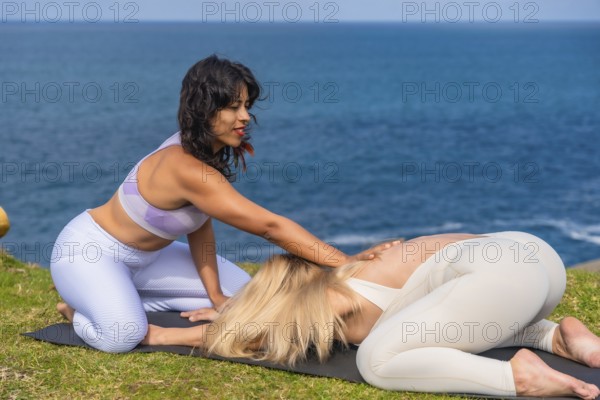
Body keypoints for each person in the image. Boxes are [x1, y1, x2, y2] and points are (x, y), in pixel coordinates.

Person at [50, 55, 387, 353]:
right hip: (88, 252)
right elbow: (270, 227)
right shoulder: (185, 167)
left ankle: (122, 297)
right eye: (232, 106)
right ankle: (79, 312)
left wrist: (215, 297)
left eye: (246, 106)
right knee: (124, 335)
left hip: (148, 260)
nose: (245, 117)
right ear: (204, 109)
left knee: (244, 297)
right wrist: (345, 263)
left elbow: (199, 224)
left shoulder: (202, 152)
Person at [143, 231, 600, 399]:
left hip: (501, 274)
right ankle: (557, 338)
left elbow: (257, 338)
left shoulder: (329, 299)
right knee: (444, 328)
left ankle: (518, 378)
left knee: (376, 360)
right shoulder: (355, 271)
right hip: (535, 260)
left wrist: (163, 338)